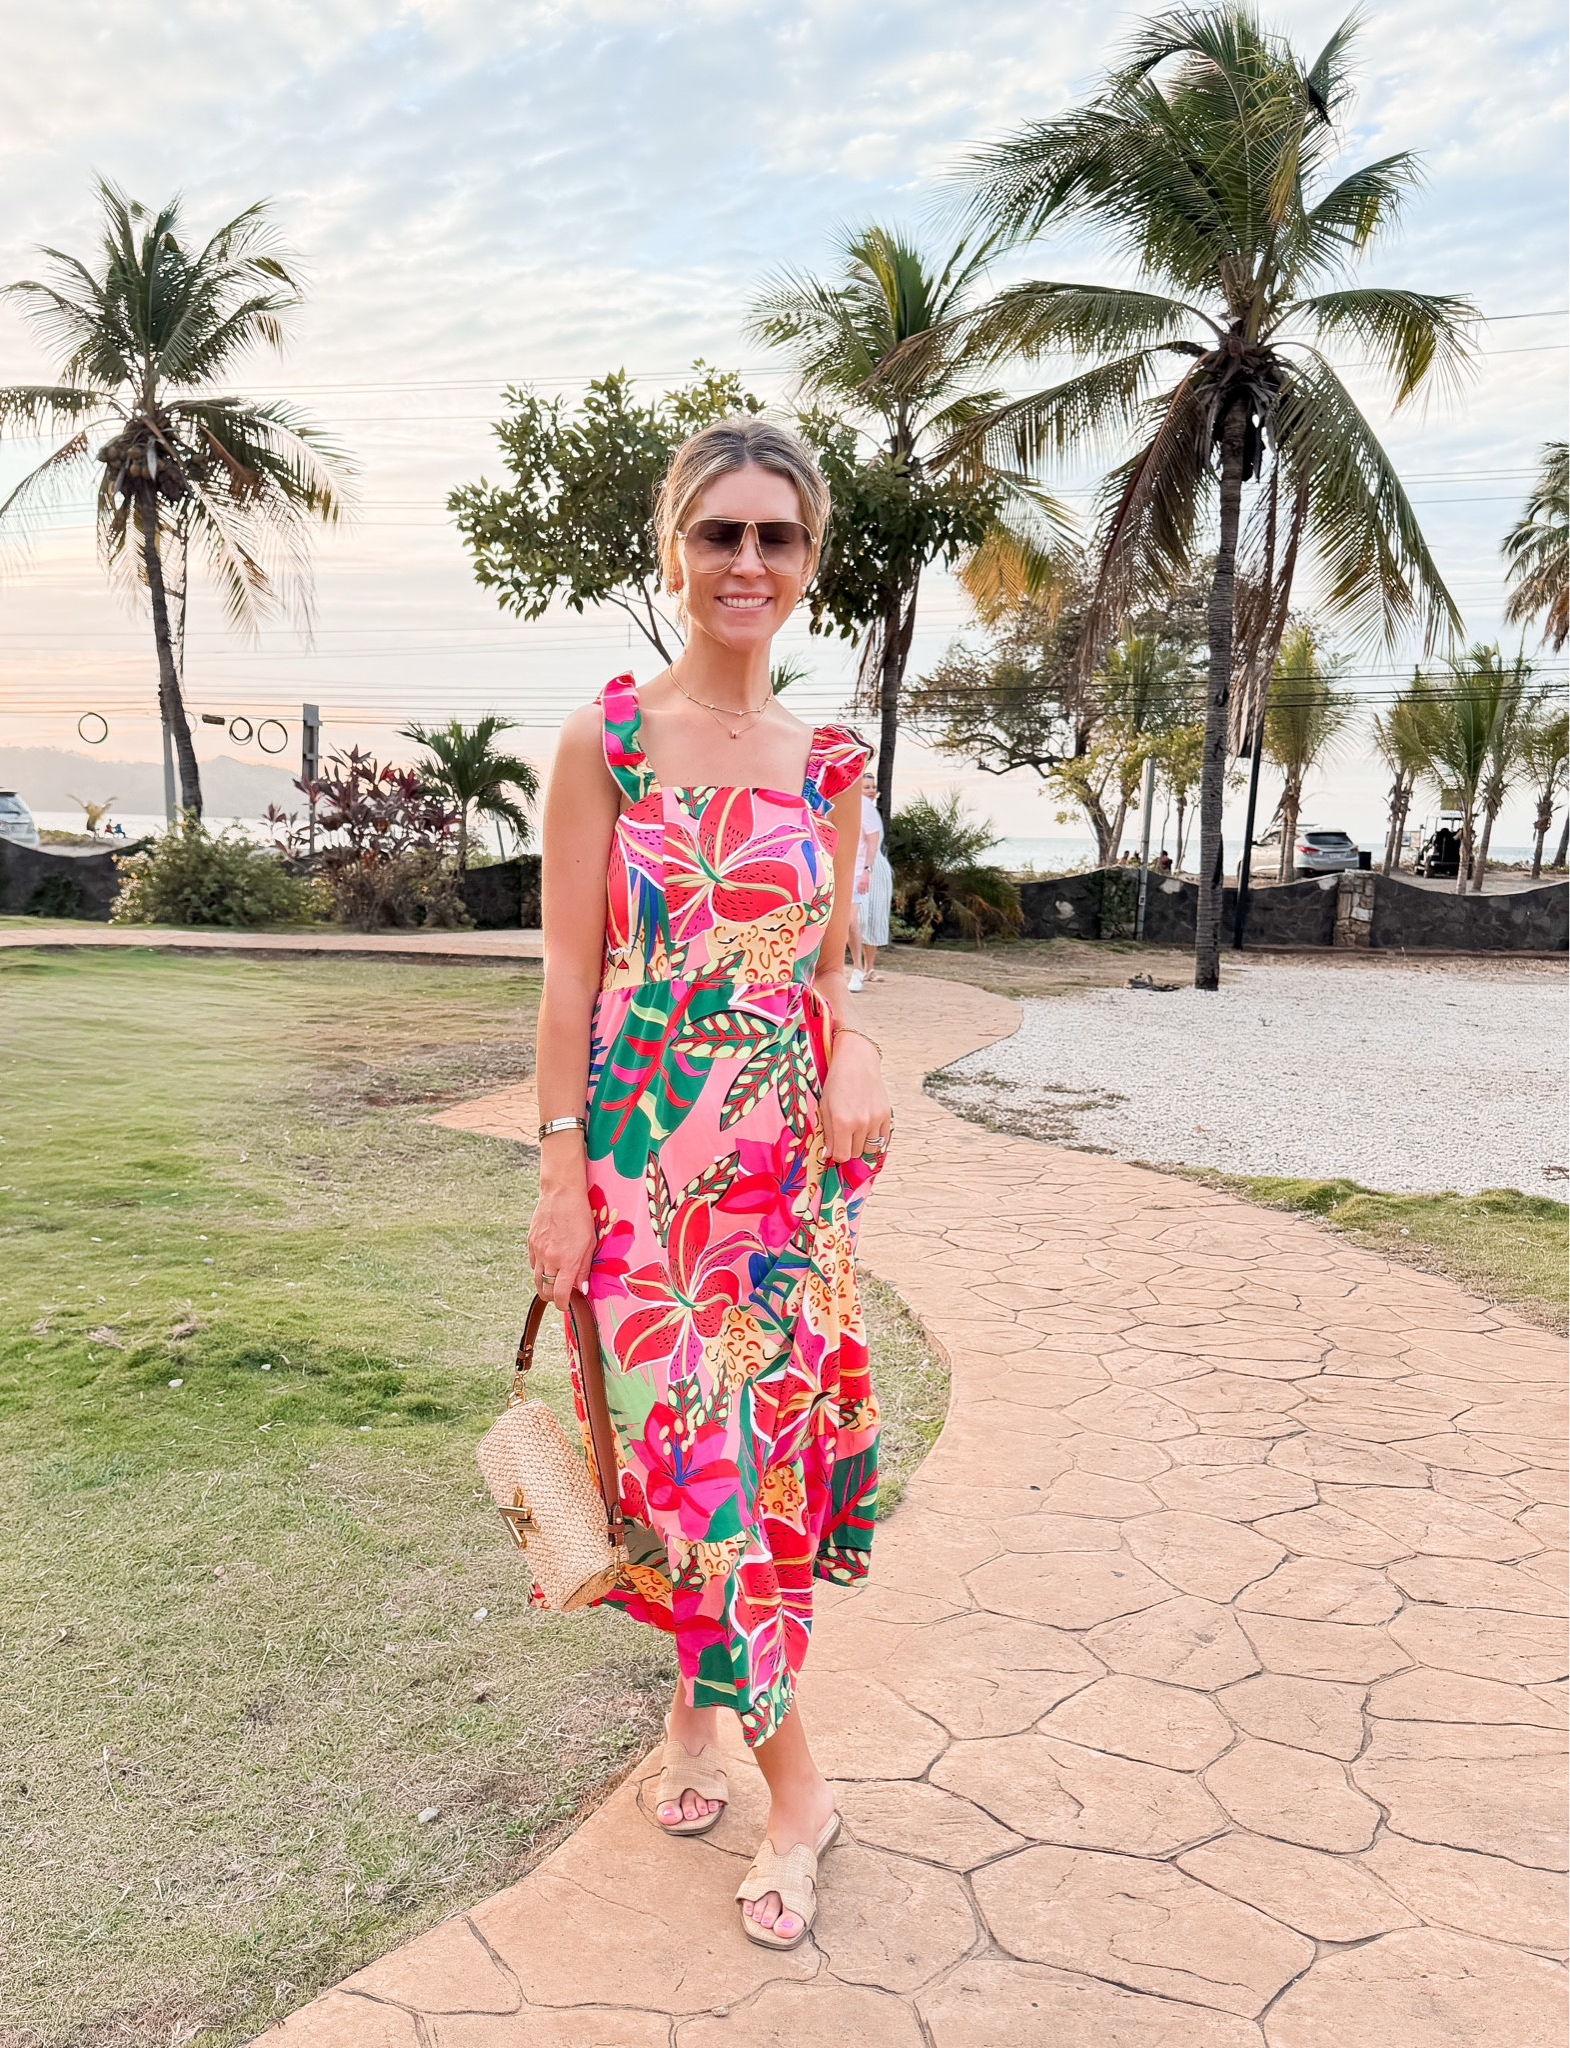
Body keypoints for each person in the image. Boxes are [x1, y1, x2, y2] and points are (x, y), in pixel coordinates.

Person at [528, 416, 892, 1953]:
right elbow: (565, 972)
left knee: (753, 1474)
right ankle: (795, 1791)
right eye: (719, 533)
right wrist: (557, 1172)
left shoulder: (829, 761)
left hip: (787, 1184)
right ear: (673, 552)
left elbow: (830, 959)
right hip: (641, 1183)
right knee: (702, 1479)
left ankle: (696, 1719)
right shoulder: (603, 741)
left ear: (807, 564)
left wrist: (857, 1040)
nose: (747, 562)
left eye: (776, 537)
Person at [846, 770, 884, 989]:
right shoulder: (834, 801)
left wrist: (867, 870)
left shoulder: (865, 806)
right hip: (836, 868)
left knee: (853, 922)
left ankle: (858, 970)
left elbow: (872, 840)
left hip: (857, 870)